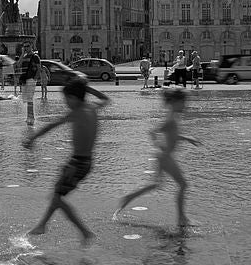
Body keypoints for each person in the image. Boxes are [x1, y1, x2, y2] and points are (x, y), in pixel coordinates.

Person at [23, 77, 111, 244]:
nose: (66, 103)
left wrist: (32, 138)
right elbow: (106, 99)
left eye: (67, 99)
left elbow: (51, 126)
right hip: (86, 162)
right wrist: (86, 89)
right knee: (57, 194)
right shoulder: (92, 108)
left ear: (74, 98)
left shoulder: (77, 113)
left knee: (57, 198)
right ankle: (42, 225)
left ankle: (84, 232)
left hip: (77, 164)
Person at [114, 87, 201, 227]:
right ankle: (182, 218)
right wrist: (160, 147)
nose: (186, 105)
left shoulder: (173, 116)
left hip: (162, 156)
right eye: (184, 102)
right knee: (183, 185)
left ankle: (129, 197)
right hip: (165, 156)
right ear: (175, 102)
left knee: (156, 184)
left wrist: (186, 138)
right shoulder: (171, 118)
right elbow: (153, 131)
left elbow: (172, 135)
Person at [17, 42, 41, 125]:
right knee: (27, 99)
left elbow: (39, 68)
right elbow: (18, 65)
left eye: (27, 46)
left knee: (30, 98)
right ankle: (29, 117)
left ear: (31, 46)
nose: (26, 48)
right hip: (24, 79)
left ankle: (31, 117)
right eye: (24, 46)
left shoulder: (35, 56)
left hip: (31, 79)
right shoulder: (24, 56)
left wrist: (35, 78)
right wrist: (22, 54)